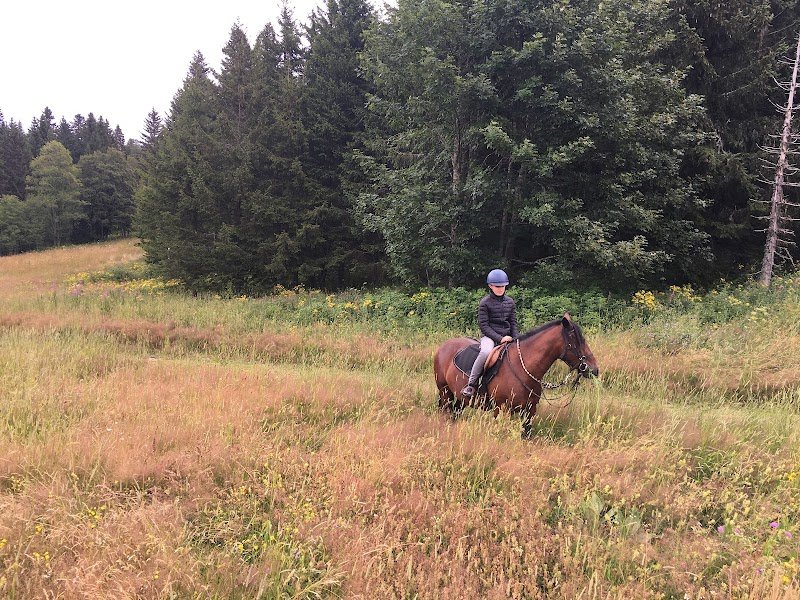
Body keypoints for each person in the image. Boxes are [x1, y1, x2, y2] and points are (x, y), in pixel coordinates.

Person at [461, 269, 519, 398]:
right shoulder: (485, 303)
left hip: (508, 337)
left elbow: (513, 323)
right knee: (485, 351)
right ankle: (471, 384)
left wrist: (516, 338)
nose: (500, 289)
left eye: (503, 286)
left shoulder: (510, 302)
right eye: (497, 286)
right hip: (491, 337)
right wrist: (500, 338)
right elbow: (484, 326)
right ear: (490, 286)